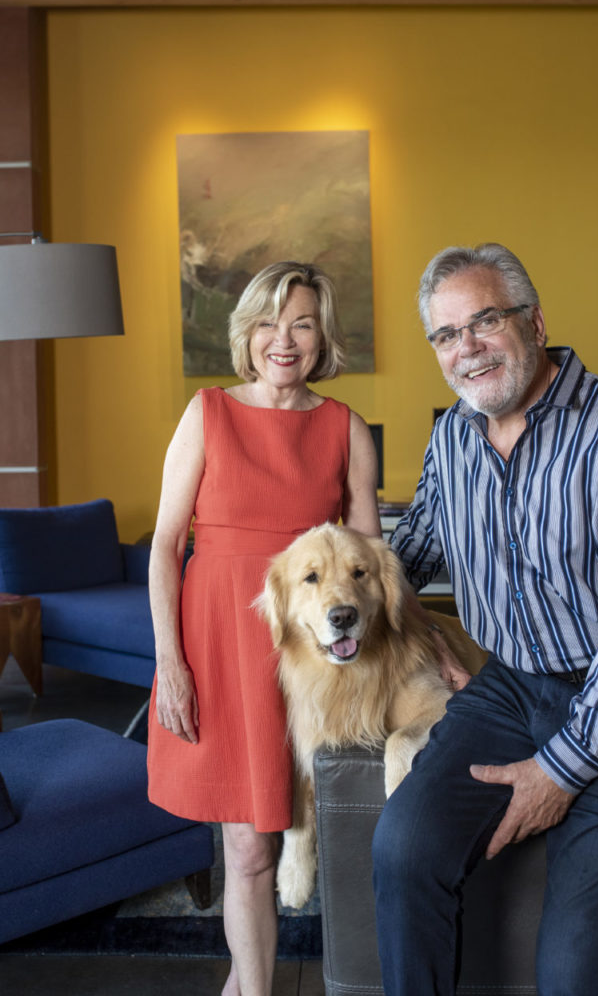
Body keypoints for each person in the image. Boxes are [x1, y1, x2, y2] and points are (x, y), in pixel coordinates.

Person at [372, 243, 598, 996]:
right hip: (513, 687)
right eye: (445, 335)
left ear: (534, 322)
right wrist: (332, 566)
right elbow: (412, 547)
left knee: (574, 967)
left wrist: (562, 768)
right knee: (401, 850)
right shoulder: (453, 437)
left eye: (484, 321)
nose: (465, 348)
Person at [146, 261, 381, 996]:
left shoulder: (344, 427)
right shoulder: (207, 412)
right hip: (216, 647)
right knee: (245, 849)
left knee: (325, 831)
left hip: (308, 658)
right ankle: (255, 988)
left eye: (303, 322)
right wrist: (171, 665)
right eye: (270, 323)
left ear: (322, 336)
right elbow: (164, 546)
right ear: (246, 333)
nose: (285, 339)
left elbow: (369, 564)